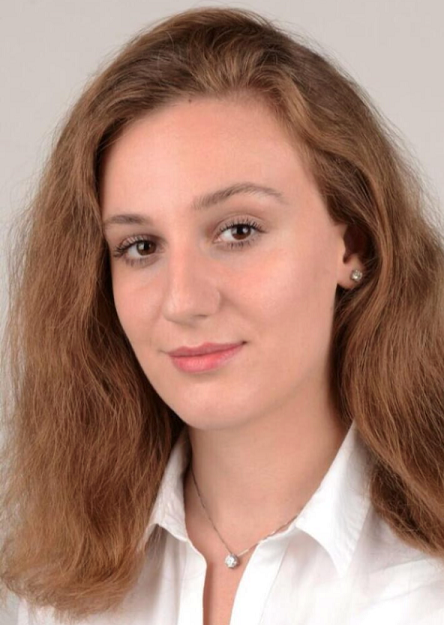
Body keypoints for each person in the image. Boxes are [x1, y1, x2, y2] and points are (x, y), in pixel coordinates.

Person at [1, 6, 444, 625]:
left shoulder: (427, 587)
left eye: (238, 231)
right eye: (140, 246)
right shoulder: (48, 593)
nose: (183, 301)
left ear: (353, 244)